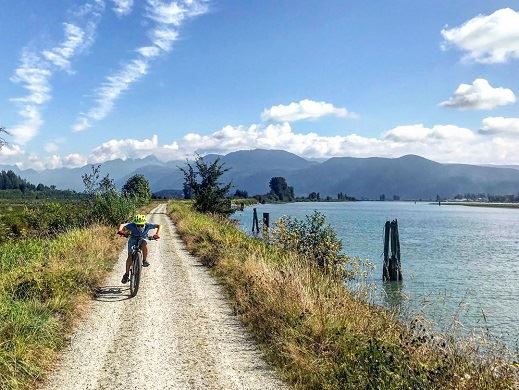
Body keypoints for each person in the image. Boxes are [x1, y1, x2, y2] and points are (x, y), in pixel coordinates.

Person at [117, 214, 161, 284]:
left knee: (144, 244)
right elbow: (122, 225)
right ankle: (126, 274)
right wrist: (120, 231)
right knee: (130, 256)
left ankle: (144, 260)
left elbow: (158, 225)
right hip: (133, 239)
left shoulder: (147, 225)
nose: (140, 226)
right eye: (138, 225)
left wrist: (157, 234)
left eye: (141, 225)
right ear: (135, 224)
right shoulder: (132, 225)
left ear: (144, 223)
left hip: (142, 238)